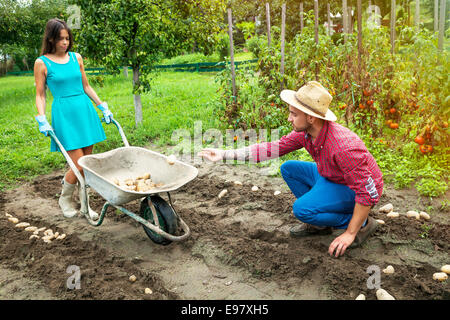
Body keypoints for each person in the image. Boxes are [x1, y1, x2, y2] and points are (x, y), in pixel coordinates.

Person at [198, 81, 383, 258]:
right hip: (333, 176)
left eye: (294, 114)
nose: (289, 118)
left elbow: (367, 193)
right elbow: (271, 148)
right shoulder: (307, 133)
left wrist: (350, 233)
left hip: (355, 188)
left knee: (302, 210)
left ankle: (362, 224)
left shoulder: (344, 147)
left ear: (310, 118)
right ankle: (321, 224)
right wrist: (224, 154)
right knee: (288, 168)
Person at [34, 18, 113, 220]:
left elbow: (86, 86)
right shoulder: (42, 62)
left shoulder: (76, 58)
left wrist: (101, 105)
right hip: (64, 114)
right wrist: (42, 118)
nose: (65, 42)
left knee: (87, 164)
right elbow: (40, 94)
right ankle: (65, 199)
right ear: (51, 39)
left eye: (67, 38)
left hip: (84, 111)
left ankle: (85, 206)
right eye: (61, 39)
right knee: (78, 165)